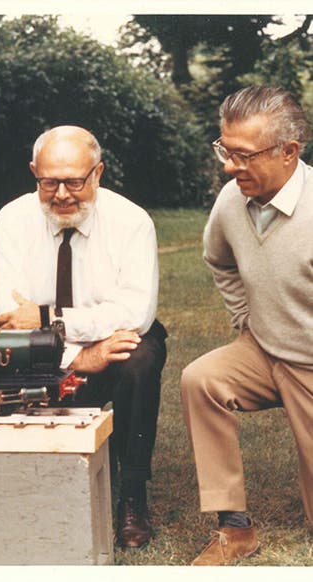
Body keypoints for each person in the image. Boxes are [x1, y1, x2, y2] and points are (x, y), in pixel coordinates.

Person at [0, 125, 167, 548]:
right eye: (49, 182)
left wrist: (53, 319)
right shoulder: (12, 221)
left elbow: (135, 313)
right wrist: (77, 357)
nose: (62, 194)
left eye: (75, 181)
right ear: (34, 172)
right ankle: (28, 482)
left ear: (98, 173)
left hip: (116, 343)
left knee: (140, 357)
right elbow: (12, 319)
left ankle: (132, 496)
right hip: (42, 352)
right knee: (2, 351)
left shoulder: (132, 222)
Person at [181, 85, 313, 565]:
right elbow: (218, 260)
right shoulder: (232, 200)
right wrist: (244, 319)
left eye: (241, 155)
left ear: (288, 152)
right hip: (262, 348)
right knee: (202, 379)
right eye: (224, 150)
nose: (228, 166)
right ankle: (234, 529)